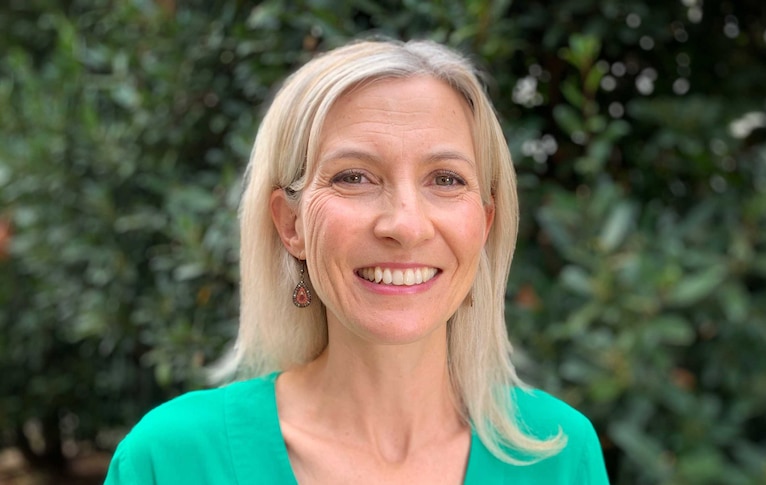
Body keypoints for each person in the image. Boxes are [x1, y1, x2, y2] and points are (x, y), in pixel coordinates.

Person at [104, 38, 609, 484]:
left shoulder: (560, 455)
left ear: (484, 224)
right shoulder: (169, 461)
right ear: (291, 224)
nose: (406, 225)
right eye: (354, 177)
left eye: (446, 179)